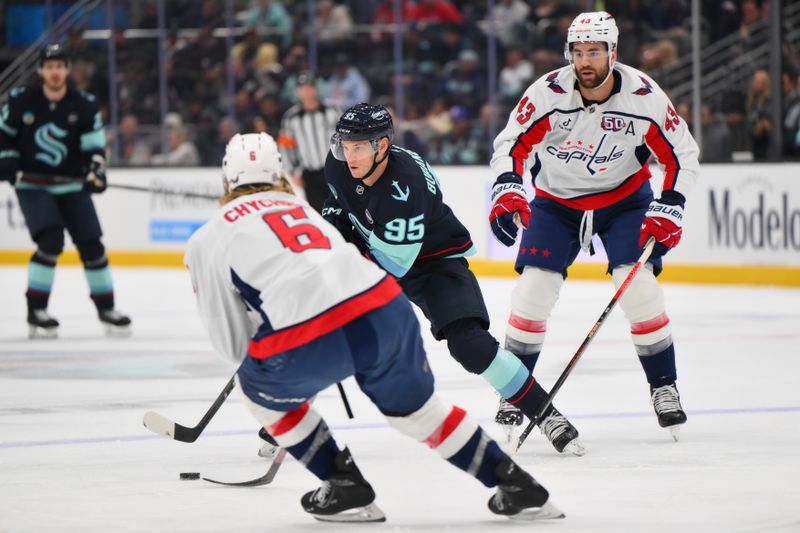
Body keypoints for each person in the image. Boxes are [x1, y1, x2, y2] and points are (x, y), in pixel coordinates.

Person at [184, 132, 564, 523]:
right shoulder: (301, 210)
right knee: (419, 413)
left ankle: (343, 485)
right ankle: (519, 487)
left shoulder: (206, 240)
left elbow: (233, 347)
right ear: (281, 174)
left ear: (226, 178)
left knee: (256, 389)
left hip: (313, 329)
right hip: (384, 304)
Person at [322, 103, 583, 455]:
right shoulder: (338, 163)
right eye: (345, 145)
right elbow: (338, 203)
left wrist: (342, 260)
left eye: (359, 146)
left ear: (382, 146)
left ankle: (545, 412)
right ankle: (285, 422)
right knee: (316, 329)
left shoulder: (406, 185)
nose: (348, 155)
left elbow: (395, 264)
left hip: (433, 262)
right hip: (376, 251)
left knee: (470, 346)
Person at [488, 11, 698, 442]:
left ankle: (664, 386)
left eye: (594, 52)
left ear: (613, 53)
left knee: (636, 285)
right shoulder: (546, 93)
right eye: (578, 52)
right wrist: (508, 186)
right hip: (555, 202)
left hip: (624, 201)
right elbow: (510, 144)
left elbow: (682, 153)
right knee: (533, 292)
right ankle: (514, 393)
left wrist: (670, 204)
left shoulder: (643, 95)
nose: (585, 60)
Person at [0, 44, 131, 337]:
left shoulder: (83, 104)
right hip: (32, 185)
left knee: (92, 245)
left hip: (71, 185)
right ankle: (36, 310)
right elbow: (3, 137)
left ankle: (107, 308)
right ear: (41, 70)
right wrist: (6, 160)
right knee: (50, 240)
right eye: (49, 66)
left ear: (67, 69)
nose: (55, 72)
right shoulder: (22, 100)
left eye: (60, 66)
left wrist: (95, 170)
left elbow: (95, 147)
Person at [277, 71, 339, 213]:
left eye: (309, 87)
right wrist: (292, 172)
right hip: (309, 173)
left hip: (333, 169)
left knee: (339, 210)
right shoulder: (291, 117)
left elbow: (344, 138)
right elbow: (286, 146)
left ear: (315, 88)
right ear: (297, 91)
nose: (307, 92)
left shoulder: (332, 110)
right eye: (302, 88)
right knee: (319, 212)